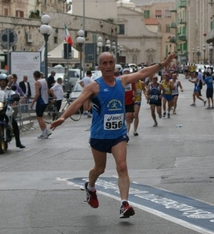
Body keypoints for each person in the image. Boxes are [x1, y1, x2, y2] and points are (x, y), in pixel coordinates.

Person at [50, 52, 176, 218]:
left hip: (118, 134)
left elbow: (142, 73)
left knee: (122, 166)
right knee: (99, 169)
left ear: (114, 65)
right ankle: (91, 187)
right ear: (99, 66)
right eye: (104, 63)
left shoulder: (121, 82)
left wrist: (163, 63)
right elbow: (78, 102)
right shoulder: (94, 87)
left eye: (111, 62)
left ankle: (124, 204)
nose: (108, 66)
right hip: (99, 135)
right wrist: (63, 117)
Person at [30, 70, 51, 139]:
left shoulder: (37, 82)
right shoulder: (44, 81)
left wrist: (32, 103)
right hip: (45, 100)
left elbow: (37, 93)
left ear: (34, 76)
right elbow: (47, 90)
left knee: (39, 117)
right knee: (40, 116)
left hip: (40, 101)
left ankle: (44, 132)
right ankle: (46, 131)